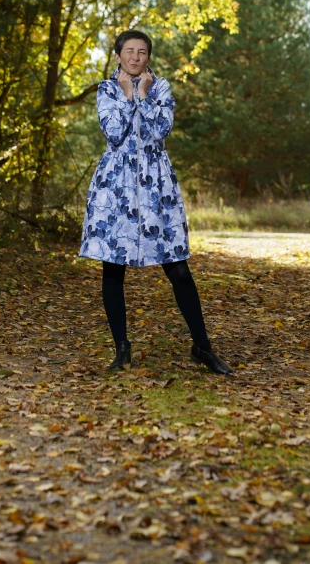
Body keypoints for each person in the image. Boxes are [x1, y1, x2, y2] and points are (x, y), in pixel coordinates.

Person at [79, 29, 233, 376]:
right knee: (112, 268)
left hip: (155, 187)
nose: (135, 57)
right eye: (129, 51)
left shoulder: (160, 88)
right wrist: (125, 94)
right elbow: (114, 132)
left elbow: (160, 130)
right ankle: (121, 348)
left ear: (149, 57)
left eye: (142, 51)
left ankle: (202, 346)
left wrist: (142, 95)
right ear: (118, 55)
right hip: (115, 187)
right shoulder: (106, 89)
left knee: (178, 267)